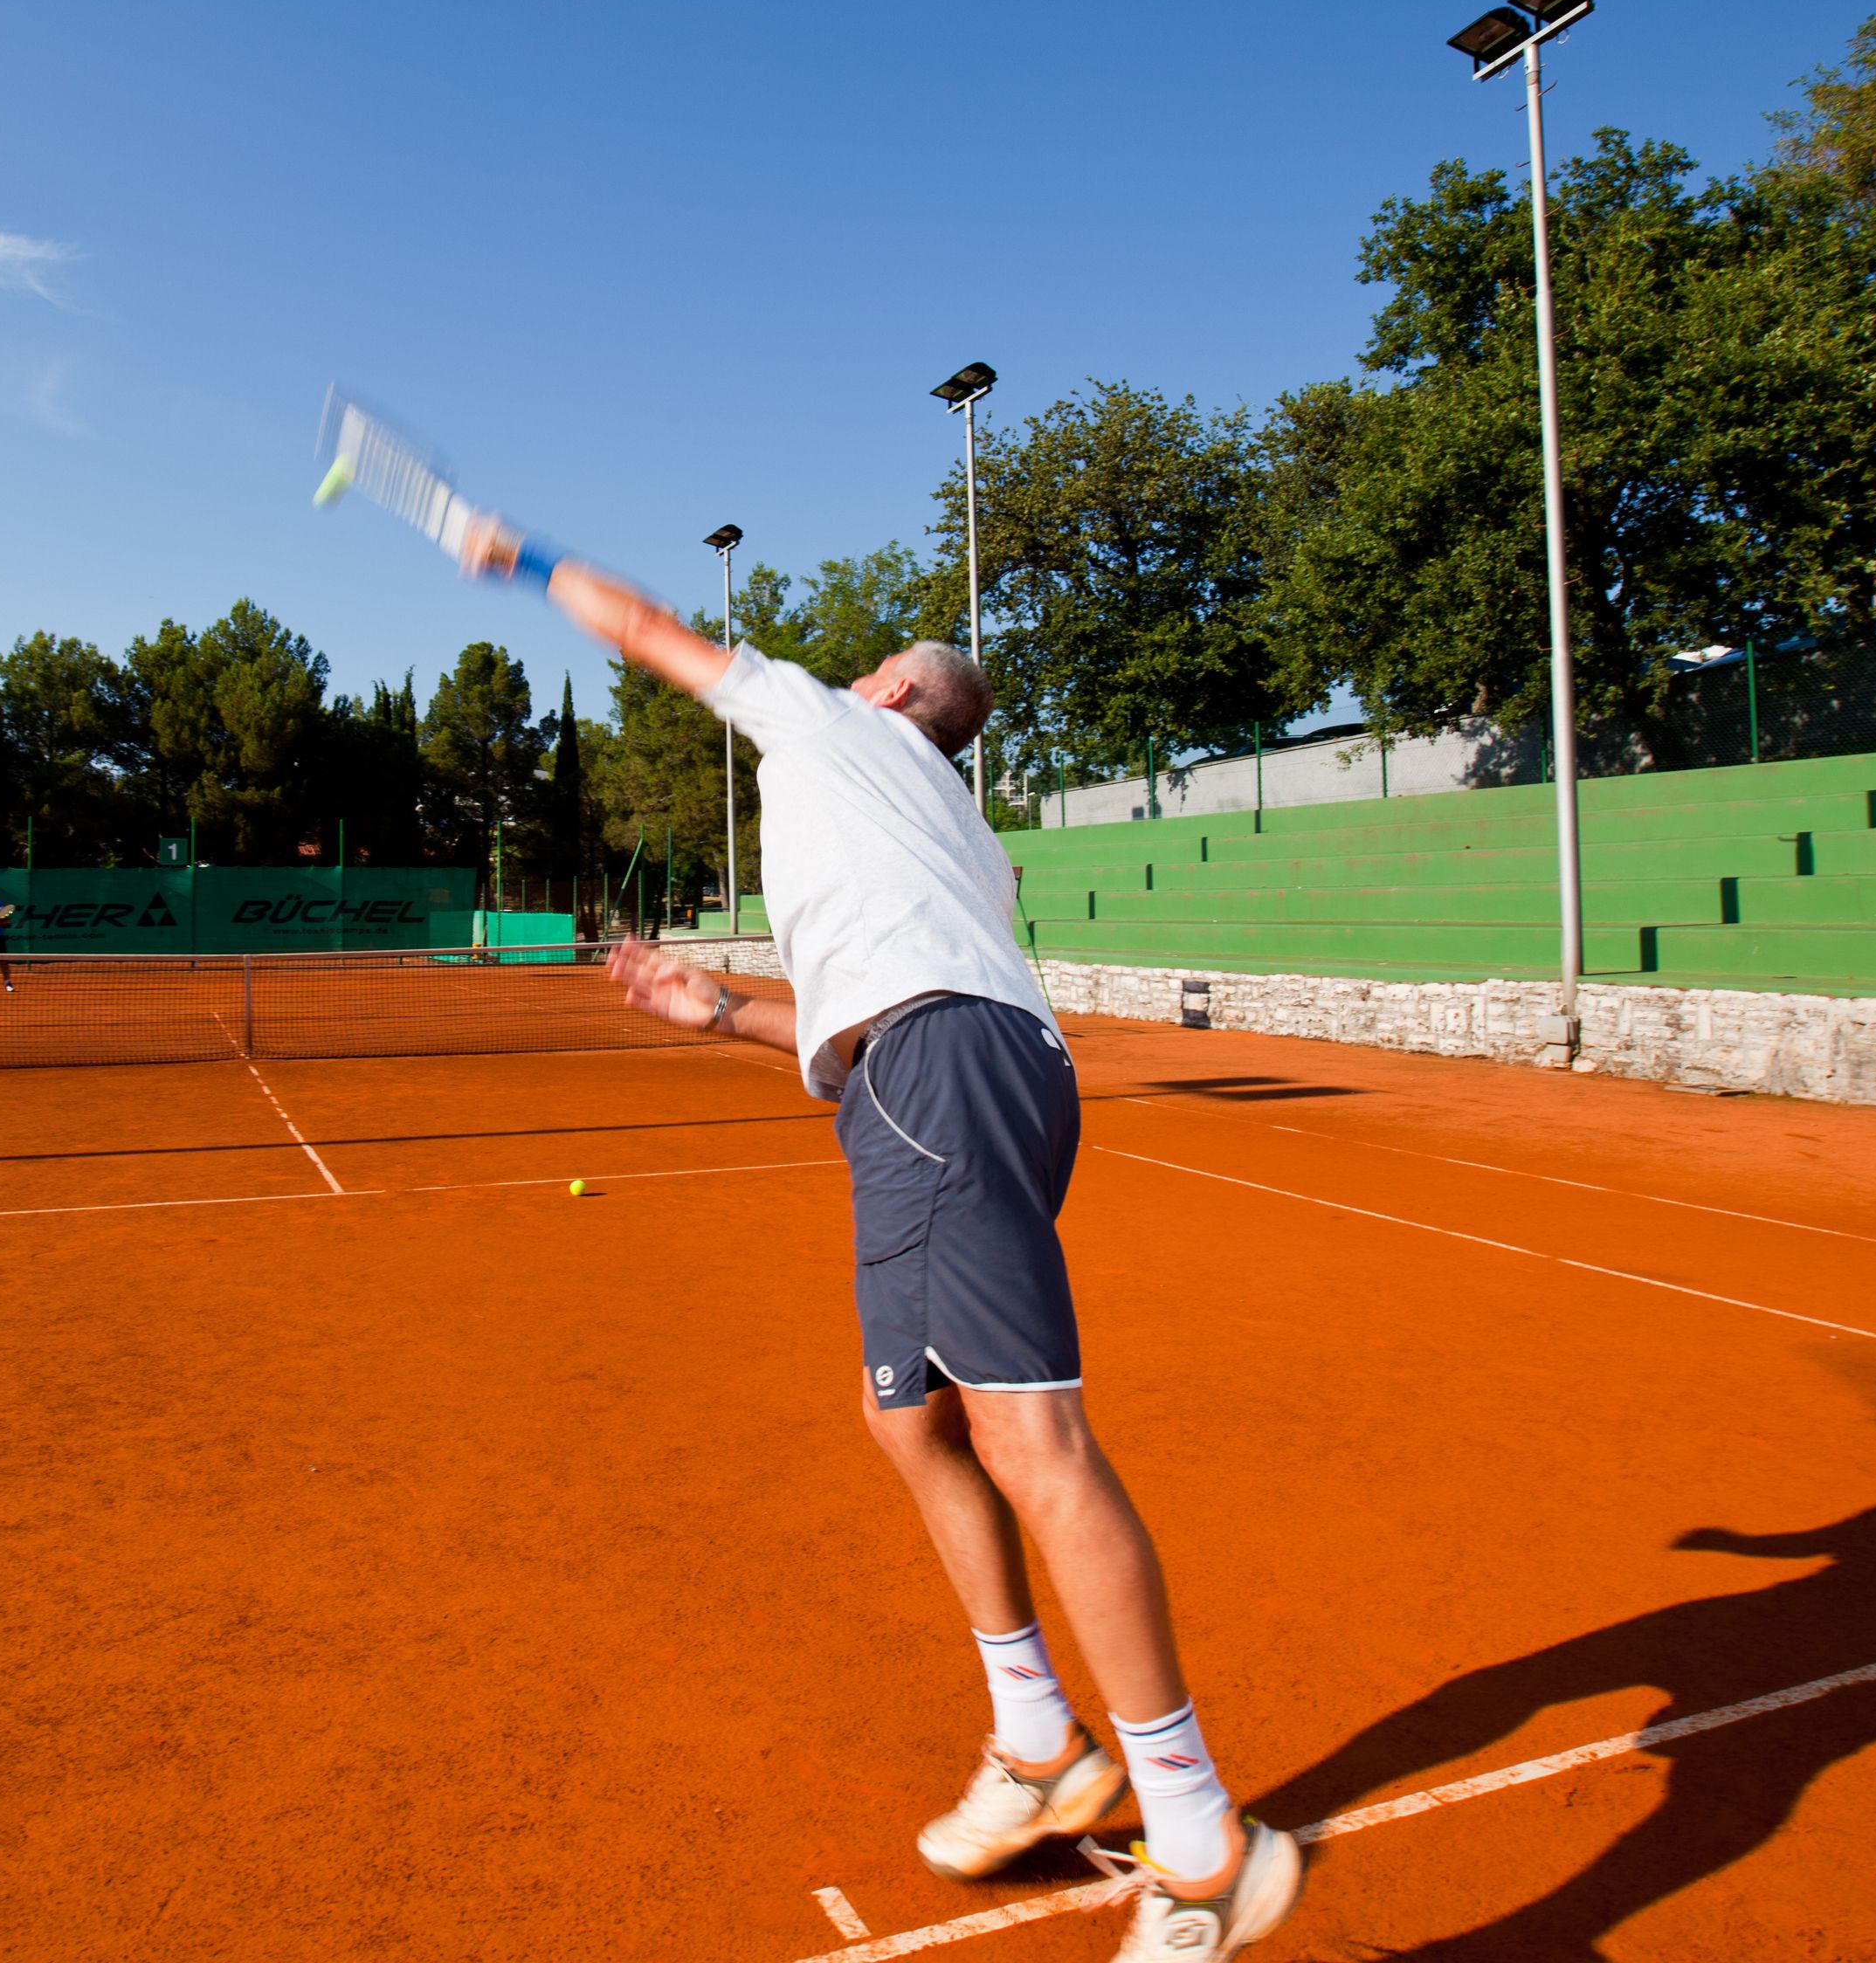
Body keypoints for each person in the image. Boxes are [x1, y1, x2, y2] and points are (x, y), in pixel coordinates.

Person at [472, 526, 1302, 1958]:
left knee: (1033, 1444)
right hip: (952, 1080)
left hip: (941, 1079)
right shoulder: (942, 831)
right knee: (905, 1415)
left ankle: (1198, 1832)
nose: (834, 675)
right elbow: (865, 1020)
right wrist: (719, 1010)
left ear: (896, 697)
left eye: (863, 670)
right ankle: (1042, 1743)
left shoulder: (833, 731)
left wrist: (524, 556)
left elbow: (653, 629)